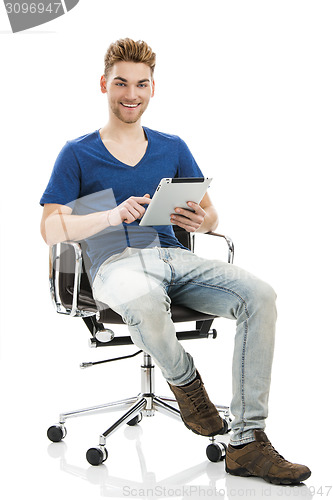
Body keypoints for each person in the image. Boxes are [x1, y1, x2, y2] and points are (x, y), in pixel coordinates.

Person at [40, 38, 310, 484]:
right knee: (145, 303)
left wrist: (200, 221)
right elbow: (50, 229)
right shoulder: (77, 152)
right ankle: (188, 386)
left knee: (260, 296)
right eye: (122, 83)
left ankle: (246, 443)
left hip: (173, 257)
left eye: (141, 84)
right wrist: (109, 213)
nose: (131, 94)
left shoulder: (172, 146)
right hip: (115, 264)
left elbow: (211, 215)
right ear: (104, 84)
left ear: (152, 88)